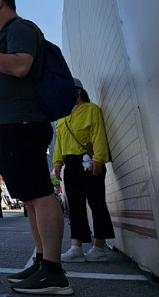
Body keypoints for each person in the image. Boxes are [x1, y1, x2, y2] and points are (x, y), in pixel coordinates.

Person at [0, 0, 71, 294]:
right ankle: (41, 261)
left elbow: (21, 66)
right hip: (6, 125)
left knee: (40, 194)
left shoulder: (20, 28)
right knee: (31, 198)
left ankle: (53, 271)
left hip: (22, 122)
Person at [53, 78, 114, 262]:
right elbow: (59, 142)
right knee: (75, 206)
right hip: (70, 164)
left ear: (78, 91)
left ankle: (99, 248)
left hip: (88, 161)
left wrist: (99, 159)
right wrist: (57, 164)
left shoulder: (91, 109)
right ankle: (76, 247)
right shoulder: (63, 116)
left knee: (97, 203)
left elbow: (98, 134)